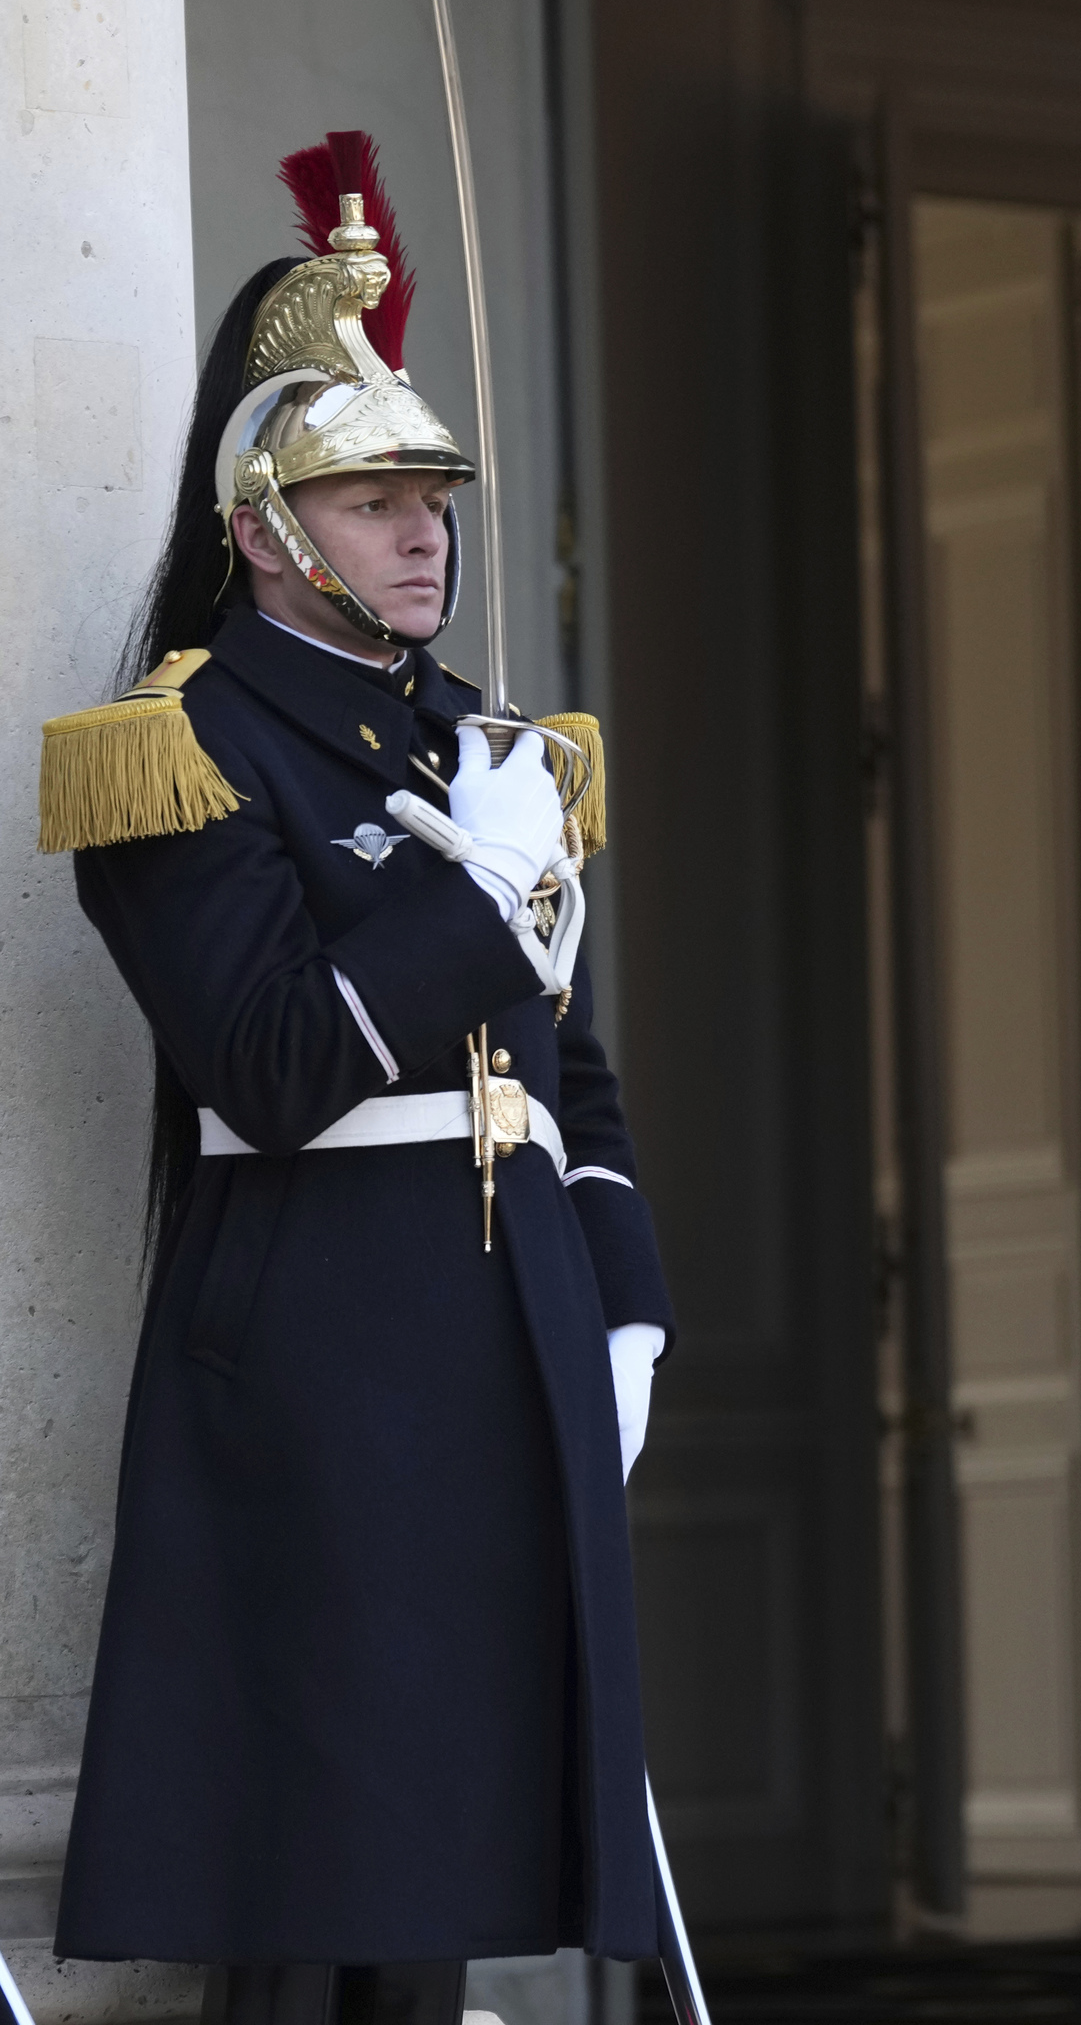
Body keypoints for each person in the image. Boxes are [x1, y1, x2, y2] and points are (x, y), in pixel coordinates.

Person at [43, 137, 672, 2021]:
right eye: (374, 500)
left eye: (433, 501)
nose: (427, 535)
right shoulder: (177, 751)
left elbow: (572, 1068)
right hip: (326, 1349)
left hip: (512, 1335)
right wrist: (477, 893)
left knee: (460, 1866)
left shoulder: (489, 745)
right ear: (264, 529)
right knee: (327, 1875)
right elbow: (275, 1059)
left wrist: (627, 1296)